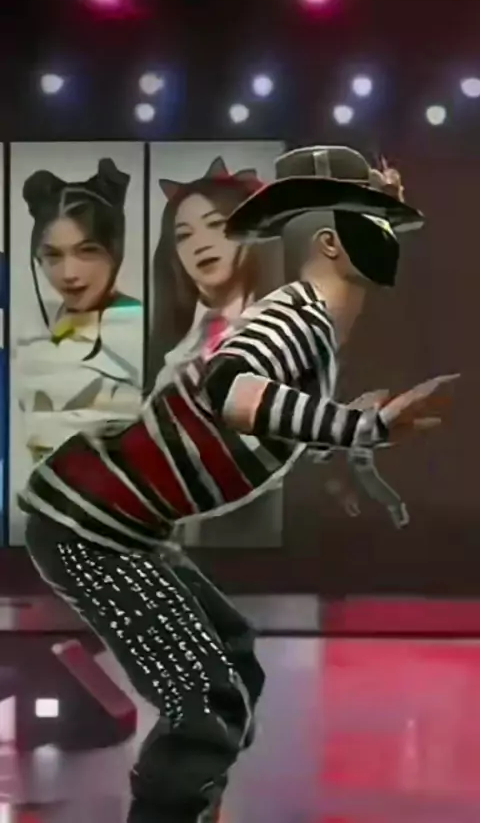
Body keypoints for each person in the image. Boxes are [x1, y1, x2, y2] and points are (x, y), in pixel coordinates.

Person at [21, 145, 458, 823]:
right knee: (204, 699)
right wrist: (362, 426)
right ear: (332, 243)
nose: (390, 239)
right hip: (91, 527)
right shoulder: (297, 318)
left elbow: (261, 426)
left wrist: (343, 432)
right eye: (376, 225)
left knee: (231, 660)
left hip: (125, 527)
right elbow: (231, 389)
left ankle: (195, 807)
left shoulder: (314, 330)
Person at [149, 156, 285, 548]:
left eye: (216, 225)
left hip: (259, 535)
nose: (201, 244)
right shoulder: (181, 346)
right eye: (184, 235)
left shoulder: (282, 329)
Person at [15, 158, 143, 465]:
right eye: (53, 256)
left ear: (114, 250)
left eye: (87, 251)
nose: (68, 273)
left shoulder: (142, 329)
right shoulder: (36, 331)